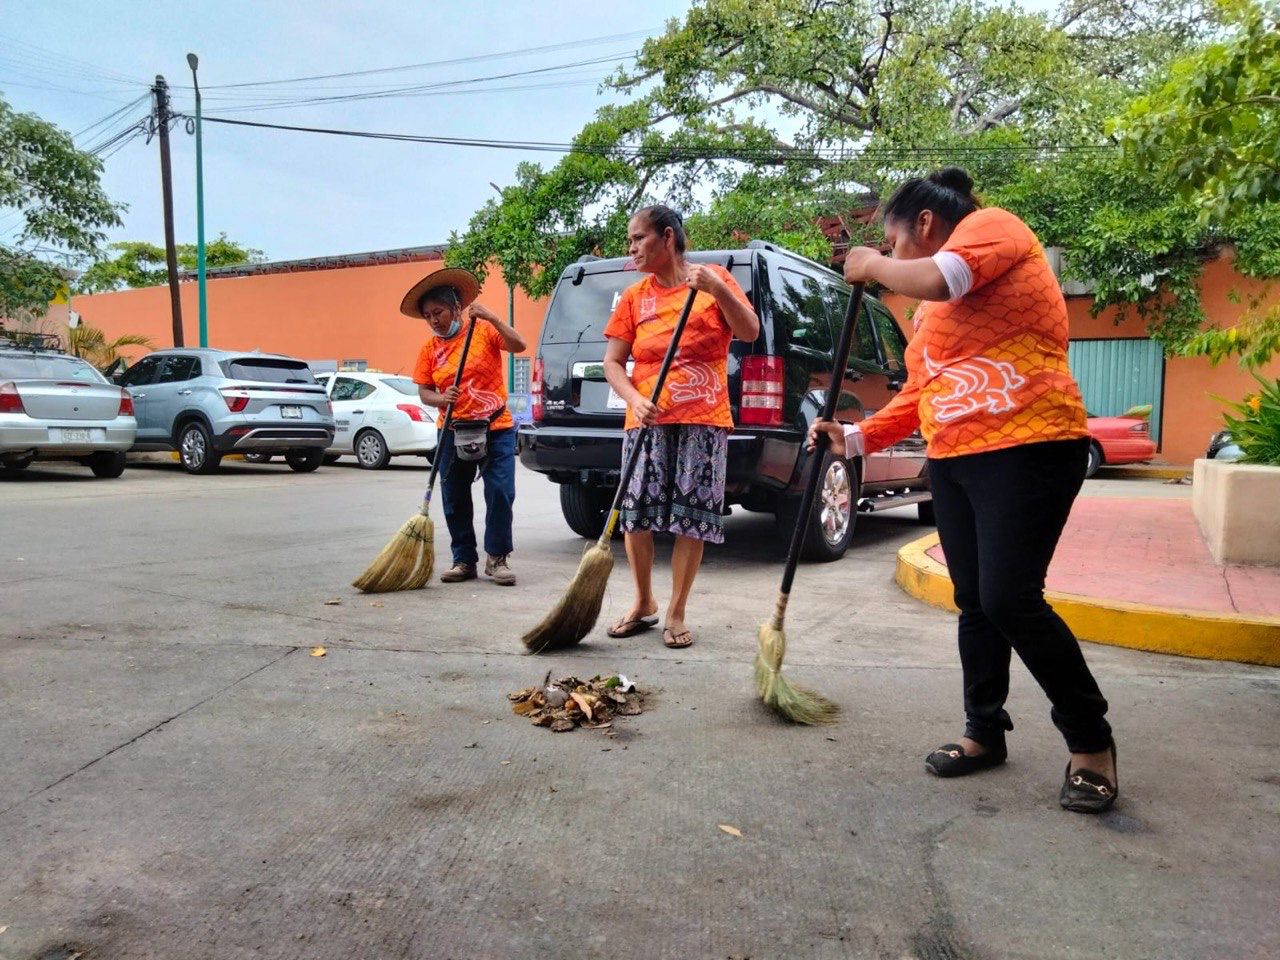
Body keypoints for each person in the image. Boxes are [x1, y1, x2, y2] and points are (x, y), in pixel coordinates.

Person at [809, 167, 1118, 813]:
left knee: (1011, 598)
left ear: (925, 224)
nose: (888, 258)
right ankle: (984, 731)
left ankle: (1090, 742)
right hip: (953, 457)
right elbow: (921, 394)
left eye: (891, 243)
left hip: (1029, 445)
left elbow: (942, 274)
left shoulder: (991, 229)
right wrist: (853, 436)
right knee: (976, 600)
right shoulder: (928, 312)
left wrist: (869, 264)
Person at [602, 205, 759, 648]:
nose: (631, 247)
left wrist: (719, 291)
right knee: (636, 514)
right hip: (645, 419)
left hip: (703, 418)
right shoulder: (634, 297)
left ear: (667, 238)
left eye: (638, 238)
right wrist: (634, 398)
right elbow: (613, 363)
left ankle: (676, 611)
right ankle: (643, 601)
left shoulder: (714, 280)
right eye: (630, 240)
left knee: (691, 516)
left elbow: (748, 331)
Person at [404, 268, 527, 586]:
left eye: (439, 312)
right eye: (428, 315)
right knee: (455, 497)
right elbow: (424, 392)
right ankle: (463, 560)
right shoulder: (429, 350)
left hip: (495, 425)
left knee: (500, 491)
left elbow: (519, 345)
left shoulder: (482, 331)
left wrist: (494, 317)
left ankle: (497, 559)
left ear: (456, 308)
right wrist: (442, 397)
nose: (434, 320)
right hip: (452, 429)